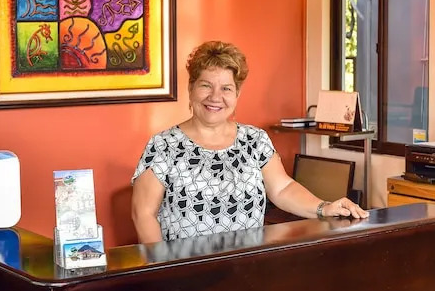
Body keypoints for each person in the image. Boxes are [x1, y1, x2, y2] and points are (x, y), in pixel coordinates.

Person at [131, 40, 368, 244]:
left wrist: (323, 208)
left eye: (226, 88)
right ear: (191, 88)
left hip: (246, 267)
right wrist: (162, 269)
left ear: (237, 94)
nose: (215, 97)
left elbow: (282, 188)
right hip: (186, 270)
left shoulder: (254, 140)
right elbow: (143, 214)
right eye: (206, 85)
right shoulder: (163, 145)